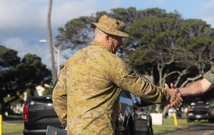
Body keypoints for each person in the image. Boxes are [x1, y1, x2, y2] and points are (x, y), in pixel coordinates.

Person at [52, 15, 182, 135]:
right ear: (107, 37)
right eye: (119, 38)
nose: (121, 43)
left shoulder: (72, 61)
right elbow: (140, 88)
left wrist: (68, 123)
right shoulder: (112, 62)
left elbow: (58, 95)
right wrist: (167, 95)